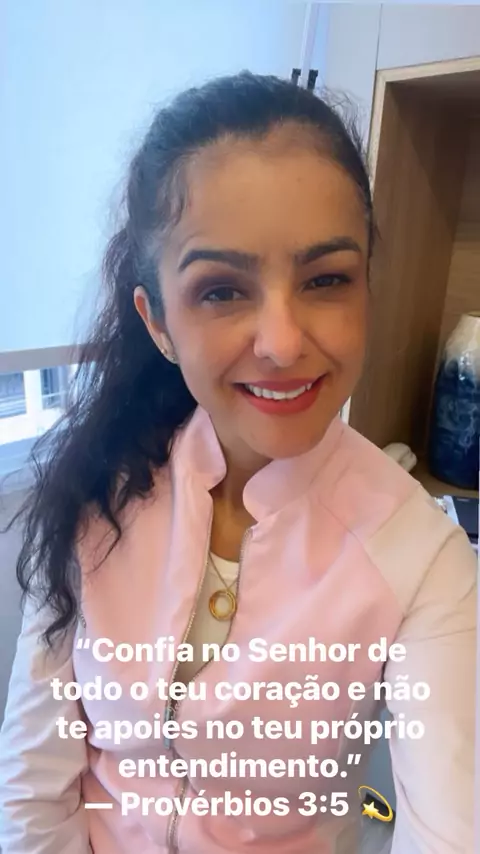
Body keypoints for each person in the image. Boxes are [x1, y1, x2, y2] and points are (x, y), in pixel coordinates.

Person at [0, 72, 475, 854]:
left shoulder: (422, 559)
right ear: (158, 323)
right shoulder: (98, 488)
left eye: (326, 279)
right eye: (221, 291)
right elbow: (33, 787)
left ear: (367, 286)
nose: (282, 343)